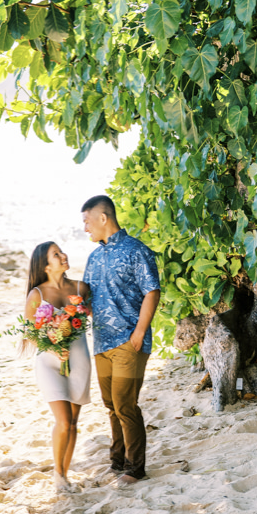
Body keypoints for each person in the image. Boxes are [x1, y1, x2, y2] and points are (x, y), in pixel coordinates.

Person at [81, 194, 161, 488]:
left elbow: (152, 291)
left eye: (87, 221)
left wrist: (140, 332)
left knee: (126, 405)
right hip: (101, 342)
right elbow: (86, 297)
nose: (86, 228)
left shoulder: (136, 250)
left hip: (130, 340)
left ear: (103, 218)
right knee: (111, 405)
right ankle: (117, 460)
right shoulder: (94, 257)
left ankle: (135, 468)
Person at [23, 241, 91, 494]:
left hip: (79, 359)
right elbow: (29, 332)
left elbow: (99, 313)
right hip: (50, 362)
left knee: (73, 421)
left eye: (62, 251)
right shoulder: (37, 295)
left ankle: (65, 471)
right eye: (56, 254)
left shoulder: (80, 288)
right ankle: (58, 475)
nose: (63, 256)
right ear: (45, 264)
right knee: (62, 421)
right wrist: (52, 347)